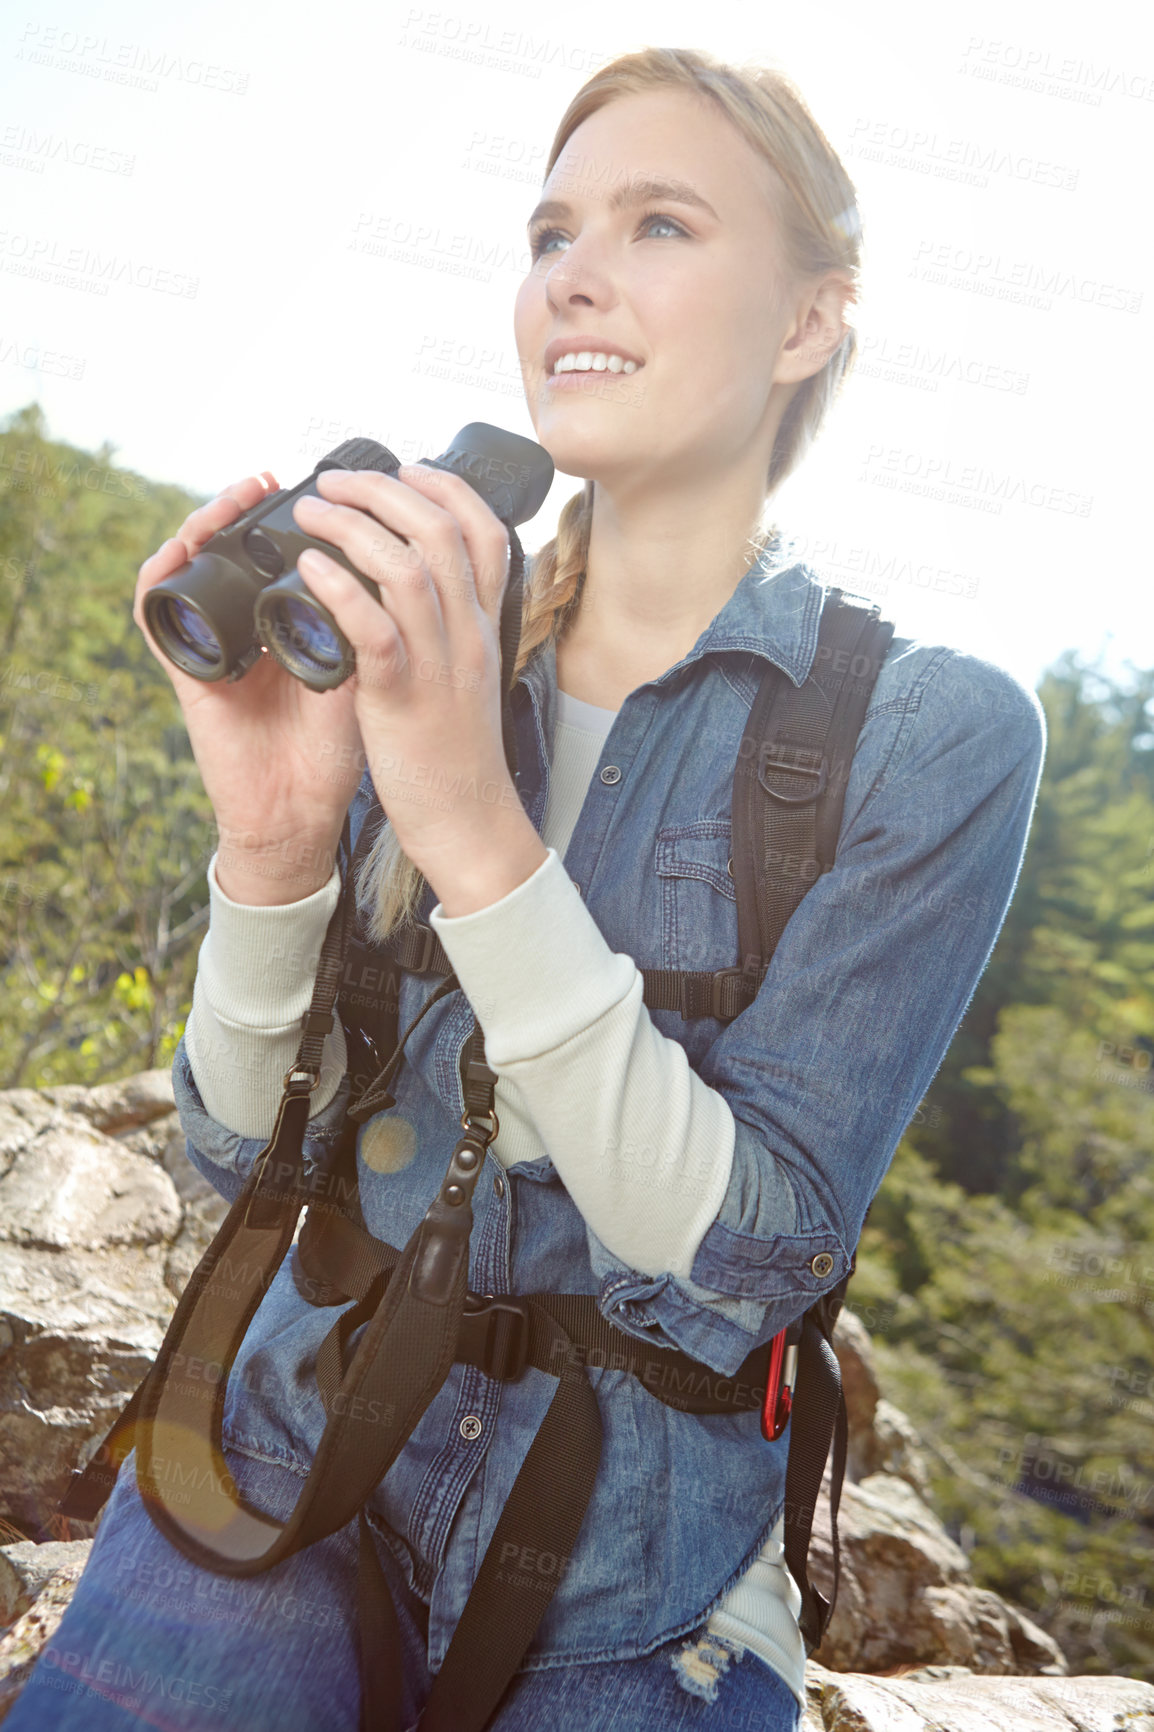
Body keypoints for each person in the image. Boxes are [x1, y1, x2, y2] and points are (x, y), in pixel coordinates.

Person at [8, 44, 1046, 1732]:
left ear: (804, 323)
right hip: (281, 1459)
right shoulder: (432, 646)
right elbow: (227, 1146)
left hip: (634, 1585)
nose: (572, 269)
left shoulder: (928, 730)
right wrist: (274, 845)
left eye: (657, 225)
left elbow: (758, 1256)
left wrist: (476, 831)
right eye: (551, 228)